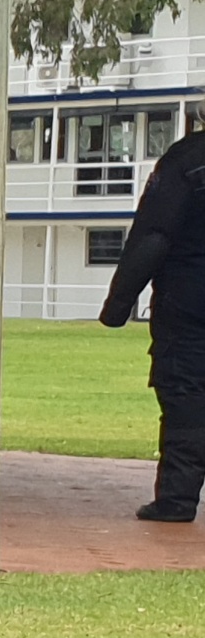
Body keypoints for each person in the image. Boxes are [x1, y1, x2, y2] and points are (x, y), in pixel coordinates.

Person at [101, 128, 205, 521]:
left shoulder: (187, 160)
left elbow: (154, 236)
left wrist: (118, 304)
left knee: (186, 397)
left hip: (189, 303)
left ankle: (177, 500)